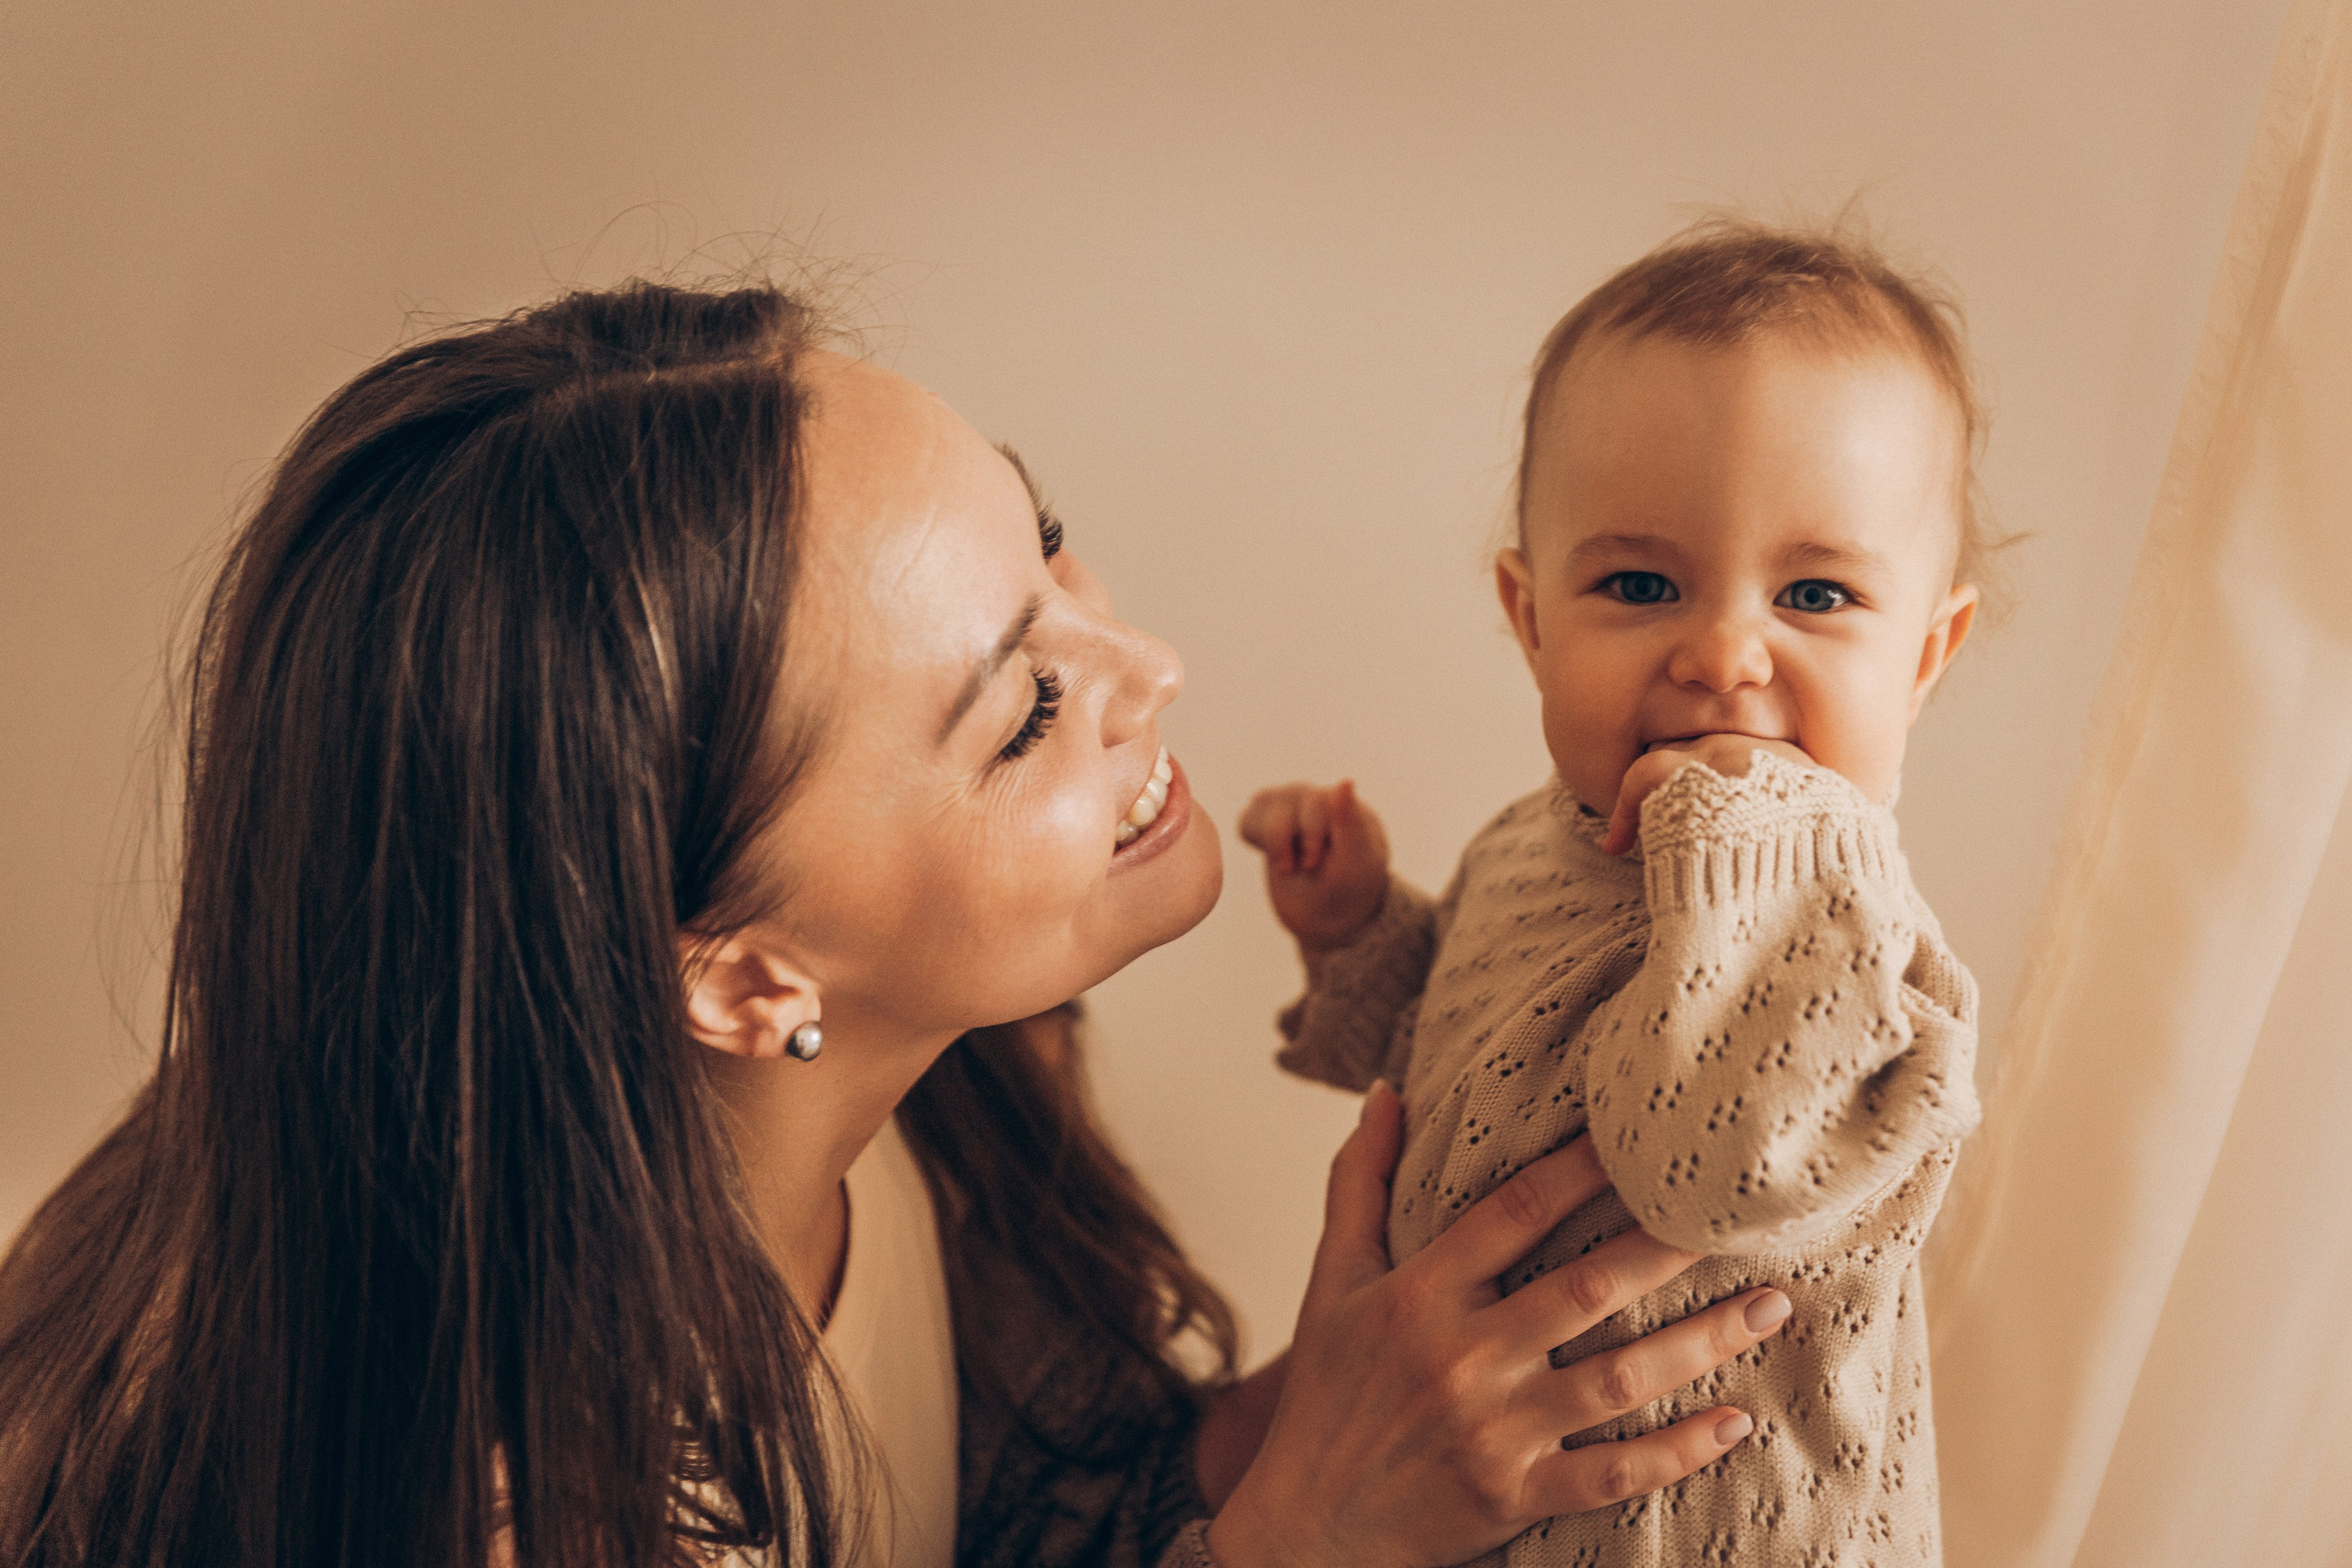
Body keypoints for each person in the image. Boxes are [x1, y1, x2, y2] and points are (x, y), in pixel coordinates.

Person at [0, 281, 1796, 1568]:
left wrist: (1290, 1418)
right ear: (738, 966)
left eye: (1050, 547)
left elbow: (998, 1505)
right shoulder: (529, 1503)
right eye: (1016, 707)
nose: (1141, 663)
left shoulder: (922, 1076)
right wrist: (1307, 1534)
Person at [1240, 220, 1990, 1565]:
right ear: (1532, 620)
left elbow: (1717, 1163)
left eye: (1815, 593)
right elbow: (1454, 1061)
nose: (1720, 656)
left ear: (1927, 654)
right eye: (1640, 585)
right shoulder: (1536, 840)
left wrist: (1747, 815)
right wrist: (1363, 930)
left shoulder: (1834, 915)